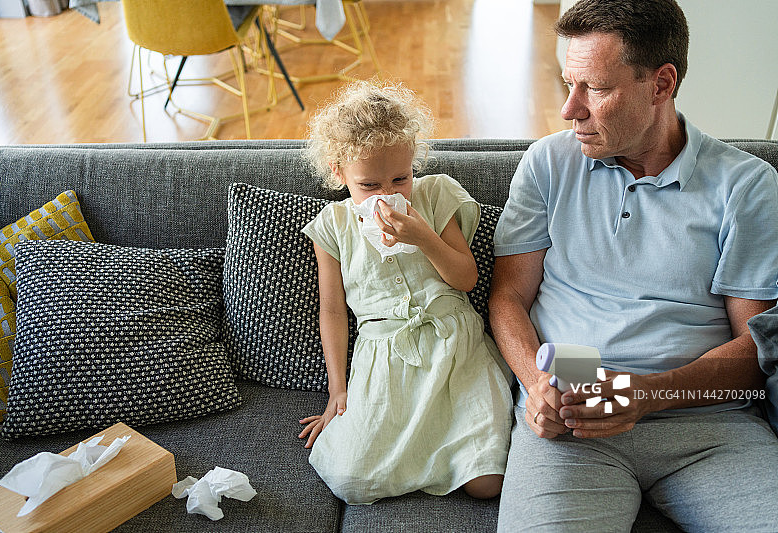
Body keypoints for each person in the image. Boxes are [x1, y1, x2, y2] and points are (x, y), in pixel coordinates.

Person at [489, 0, 778, 531]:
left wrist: (645, 395)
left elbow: (757, 348)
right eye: (567, 84)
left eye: (595, 89)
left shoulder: (747, 187)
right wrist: (536, 385)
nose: (570, 109)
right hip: (571, 425)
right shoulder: (548, 164)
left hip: (710, 428)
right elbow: (508, 298)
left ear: (661, 84)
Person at [298, 81, 513, 505]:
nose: (388, 195)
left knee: (487, 484)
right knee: (350, 480)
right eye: (369, 185)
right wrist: (337, 388)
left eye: (400, 178)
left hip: (455, 343)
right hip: (384, 354)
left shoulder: (434, 194)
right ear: (339, 173)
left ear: (415, 160)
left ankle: (459, 449)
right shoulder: (332, 226)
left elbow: (466, 278)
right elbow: (332, 312)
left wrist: (423, 237)